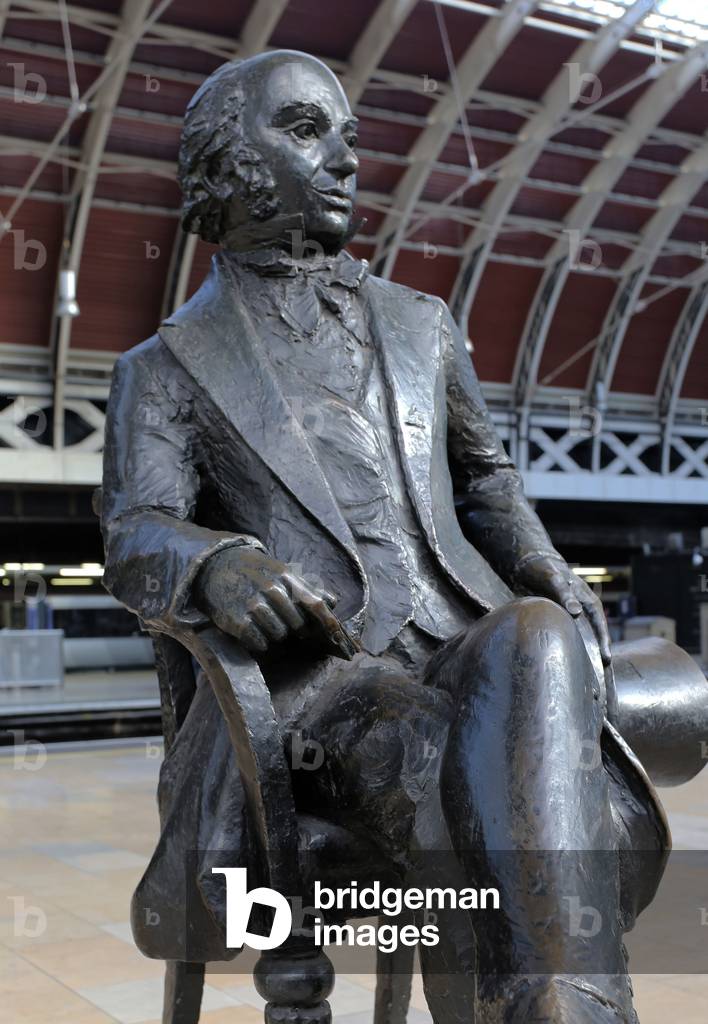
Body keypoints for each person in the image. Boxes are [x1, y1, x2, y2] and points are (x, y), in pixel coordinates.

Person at [101, 50, 669, 1023]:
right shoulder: (162, 368)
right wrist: (218, 560)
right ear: (230, 163)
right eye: (306, 130)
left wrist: (544, 567)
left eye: (350, 136)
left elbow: (485, 480)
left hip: (463, 633)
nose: (348, 159)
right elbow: (133, 529)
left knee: (534, 632)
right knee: (462, 774)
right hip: (318, 681)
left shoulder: (425, 325)